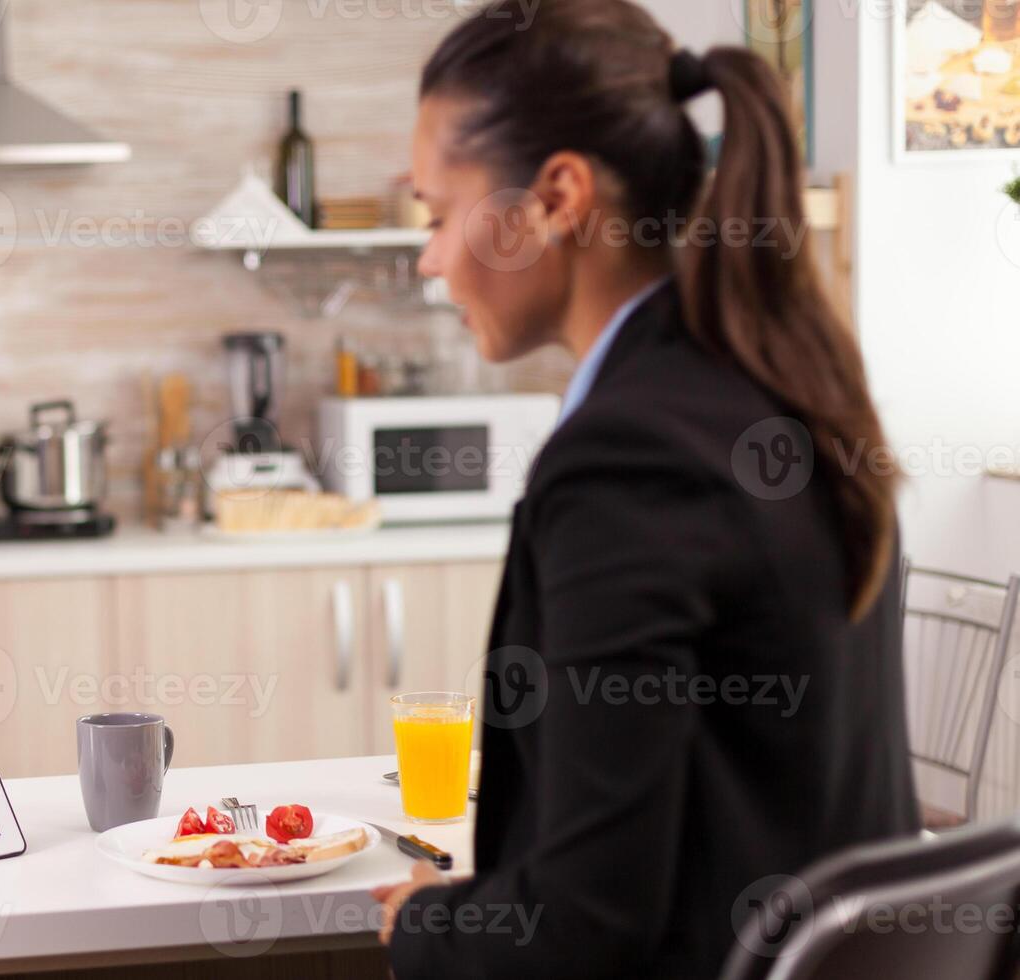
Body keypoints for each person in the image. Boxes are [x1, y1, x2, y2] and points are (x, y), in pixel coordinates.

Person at [373, 2, 919, 977]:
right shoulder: (784, 389)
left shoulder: (626, 456)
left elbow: (582, 924)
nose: (428, 257)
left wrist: (426, 923)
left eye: (437, 213)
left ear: (556, 198)